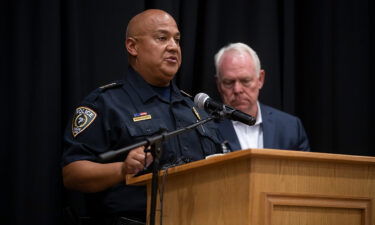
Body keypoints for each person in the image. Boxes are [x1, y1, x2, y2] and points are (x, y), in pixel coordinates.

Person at [61, 9, 222, 224]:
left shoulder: (193, 109)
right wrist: (122, 169)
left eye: (177, 39)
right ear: (132, 46)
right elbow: (73, 174)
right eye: (162, 38)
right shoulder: (106, 103)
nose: (173, 46)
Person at [214, 42, 310, 151]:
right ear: (218, 84)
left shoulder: (290, 128)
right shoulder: (205, 129)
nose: (237, 90)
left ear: (260, 79)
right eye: (228, 82)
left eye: (245, 81)